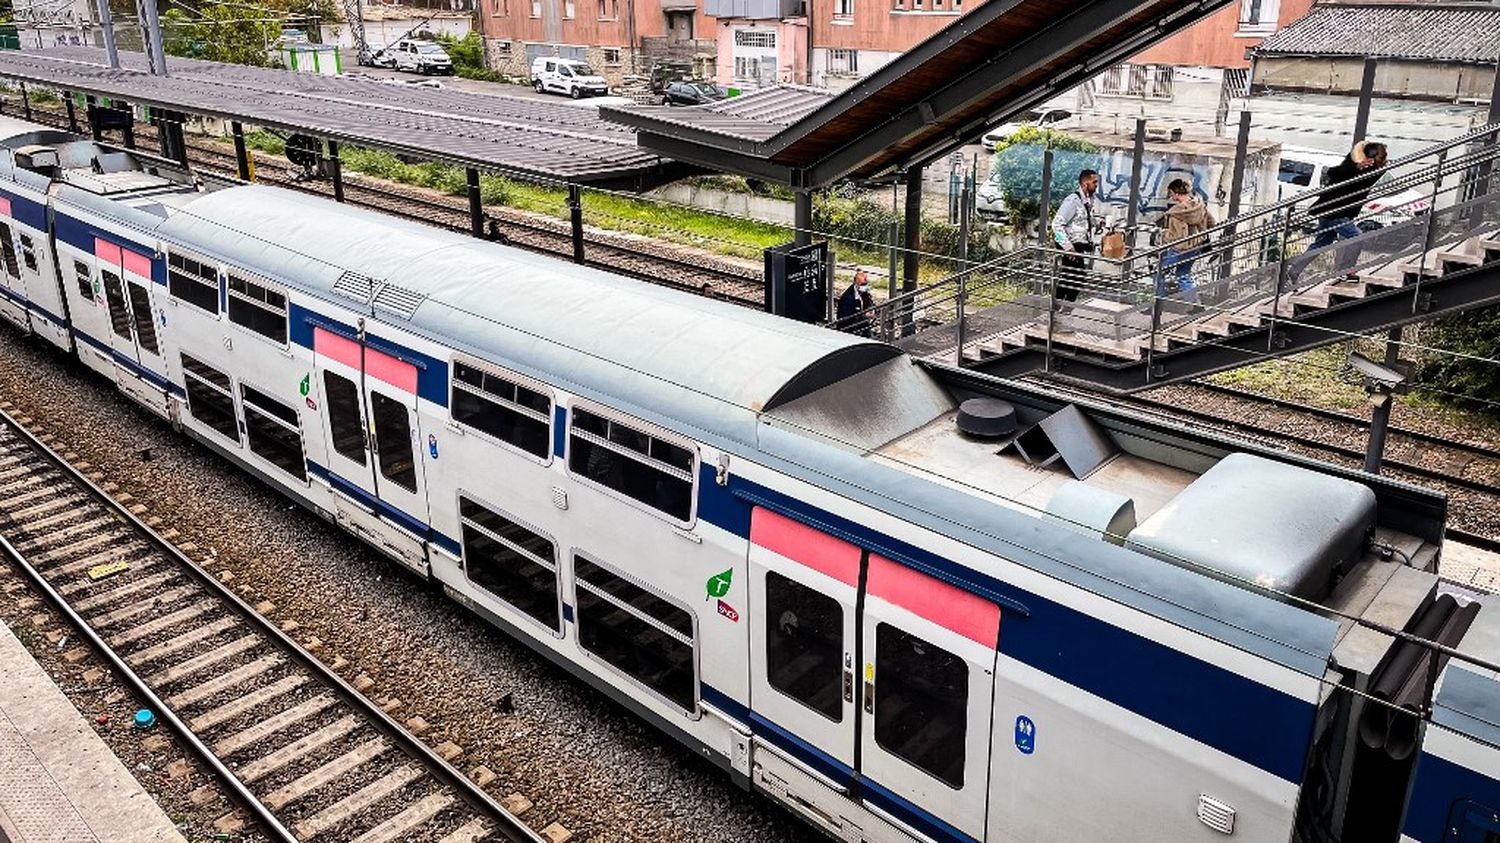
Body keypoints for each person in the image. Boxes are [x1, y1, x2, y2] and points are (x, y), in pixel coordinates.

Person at [1290, 140, 1389, 284]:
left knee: (1322, 242)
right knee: (1356, 237)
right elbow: (1333, 172)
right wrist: (1357, 166)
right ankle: (1345, 271)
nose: (1383, 161)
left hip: (1333, 210)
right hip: (1334, 211)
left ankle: (1294, 270)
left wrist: (1371, 165)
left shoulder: (1372, 170)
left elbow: (1373, 175)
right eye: (1380, 157)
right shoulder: (1352, 165)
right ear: (1369, 157)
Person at [1156, 179, 1214, 303]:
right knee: (1183, 275)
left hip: (1179, 250)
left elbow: (1176, 237)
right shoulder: (1200, 205)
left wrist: (1163, 233)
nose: (1171, 196)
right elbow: (1212, 223)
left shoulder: (1176, 213)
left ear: (1176, 193)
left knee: (1158, 272)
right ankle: (1196, 305)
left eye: (1171, 193)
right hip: (1196, 248)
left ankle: (1157, 305)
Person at [1050, 169, 1103, 303]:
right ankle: (1059, 308)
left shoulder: (1088, 200)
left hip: (1080, 246)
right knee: (1074, 278)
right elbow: (1056, 224)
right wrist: (1068, 247)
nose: (1096, 185)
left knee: (1073, 278)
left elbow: (1083, 220)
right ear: (1085, 183)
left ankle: (1062, 308)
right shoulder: (1072, 201)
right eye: (1094, 182)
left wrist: (1097, 223)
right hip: (1071, 246)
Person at [835, 270, 875, 336]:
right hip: (850, 330)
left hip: (863, 326)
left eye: (866, 284)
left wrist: (871, 309)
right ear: (856, 283)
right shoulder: (847, 297)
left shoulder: (864, 293)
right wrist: (864, 315)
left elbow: (869, 302)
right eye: (863, 284)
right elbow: (847, 318)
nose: (865, 286)